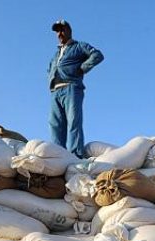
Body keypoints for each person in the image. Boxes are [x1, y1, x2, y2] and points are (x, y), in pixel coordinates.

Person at [47, 19, 104, 158]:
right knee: (55, 124)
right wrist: (50, 78)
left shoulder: (78, 46)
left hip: (71, 88)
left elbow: (97, 55)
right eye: (57, 31)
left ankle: (75, 155)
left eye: (62, 30)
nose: (59, 33)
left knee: (73, 122)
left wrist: (82, 68)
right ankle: (57, 155)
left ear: (69, 31)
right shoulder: (57, 53)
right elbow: (49, 68)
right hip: (56, 91)